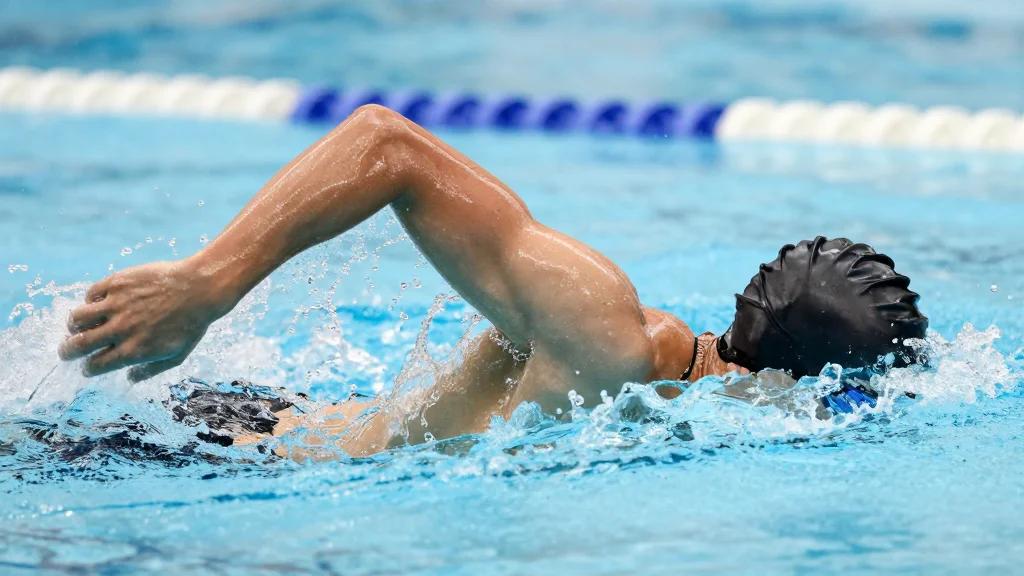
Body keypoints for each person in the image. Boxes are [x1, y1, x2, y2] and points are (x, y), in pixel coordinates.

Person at [57, 105, 928, 457]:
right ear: (789, 384)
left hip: (267, 425)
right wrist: (207, 285)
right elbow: (385, 146)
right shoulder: (607, 337)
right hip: (219, 456)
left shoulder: (659, 386)